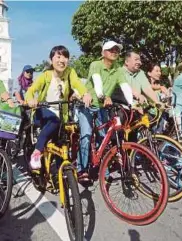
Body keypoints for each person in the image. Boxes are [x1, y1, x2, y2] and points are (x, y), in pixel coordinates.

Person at [25, 45, 94, 170]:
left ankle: (60, 174)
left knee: (61, 144)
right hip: (44, 111)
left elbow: (77, 84)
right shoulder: (46, 75)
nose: (62, 60)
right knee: (54, 121)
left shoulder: (70, 72)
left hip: (62, 114)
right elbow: (31, 90)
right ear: (51, 60)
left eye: (65, 57)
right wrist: (31, 99)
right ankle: (36, 153)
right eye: (58, 56)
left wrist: (85, 93)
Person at [77, 41, 137, 180]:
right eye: (111, 50)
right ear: (103, 53)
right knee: (86, 136)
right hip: (88, 105)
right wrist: (103, 96)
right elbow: (97, 83)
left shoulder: (118, 70)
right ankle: (82, 170)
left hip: (103, 107)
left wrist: (132, 104)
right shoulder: (96, 64)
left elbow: (125, 87)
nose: (114, 52)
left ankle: (102, 167)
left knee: (104, 137)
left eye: (116, 50)